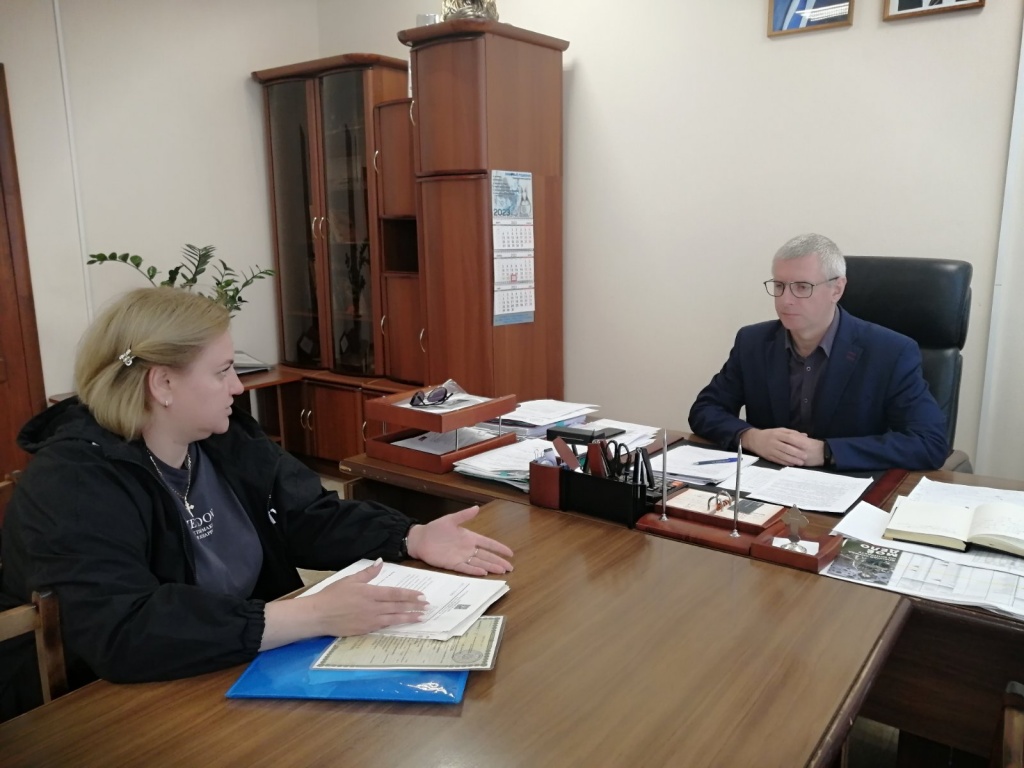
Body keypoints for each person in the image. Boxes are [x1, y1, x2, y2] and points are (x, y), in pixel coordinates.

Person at [1, 286, 513, 691]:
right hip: (131, 700)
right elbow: (124, 630)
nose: (237, 387)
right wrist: (308, 614)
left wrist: (410, 536)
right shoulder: (72, 482)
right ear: (162, 384)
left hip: (242, 666)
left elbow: (307, 516)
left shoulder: (223, 439)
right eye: (223, 371)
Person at [688, 233, 949, 472]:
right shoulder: (753, 342)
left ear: (837, 289)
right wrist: (750, 437)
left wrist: (827, 452)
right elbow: (705, 409)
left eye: (802, 287)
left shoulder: (890, 352)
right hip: (766, 484)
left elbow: (929, 443)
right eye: (779, 286)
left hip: (849, 485)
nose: (785, 300)